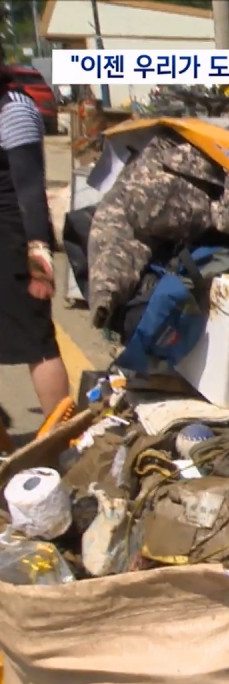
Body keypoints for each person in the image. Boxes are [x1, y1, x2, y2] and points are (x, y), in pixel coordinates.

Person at [0, 65, 71, 420]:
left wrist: (39, 264)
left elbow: (30, 191)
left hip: (10, 238)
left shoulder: (13, 108)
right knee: (38, 341)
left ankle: (64, 439)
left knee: (37, 341)